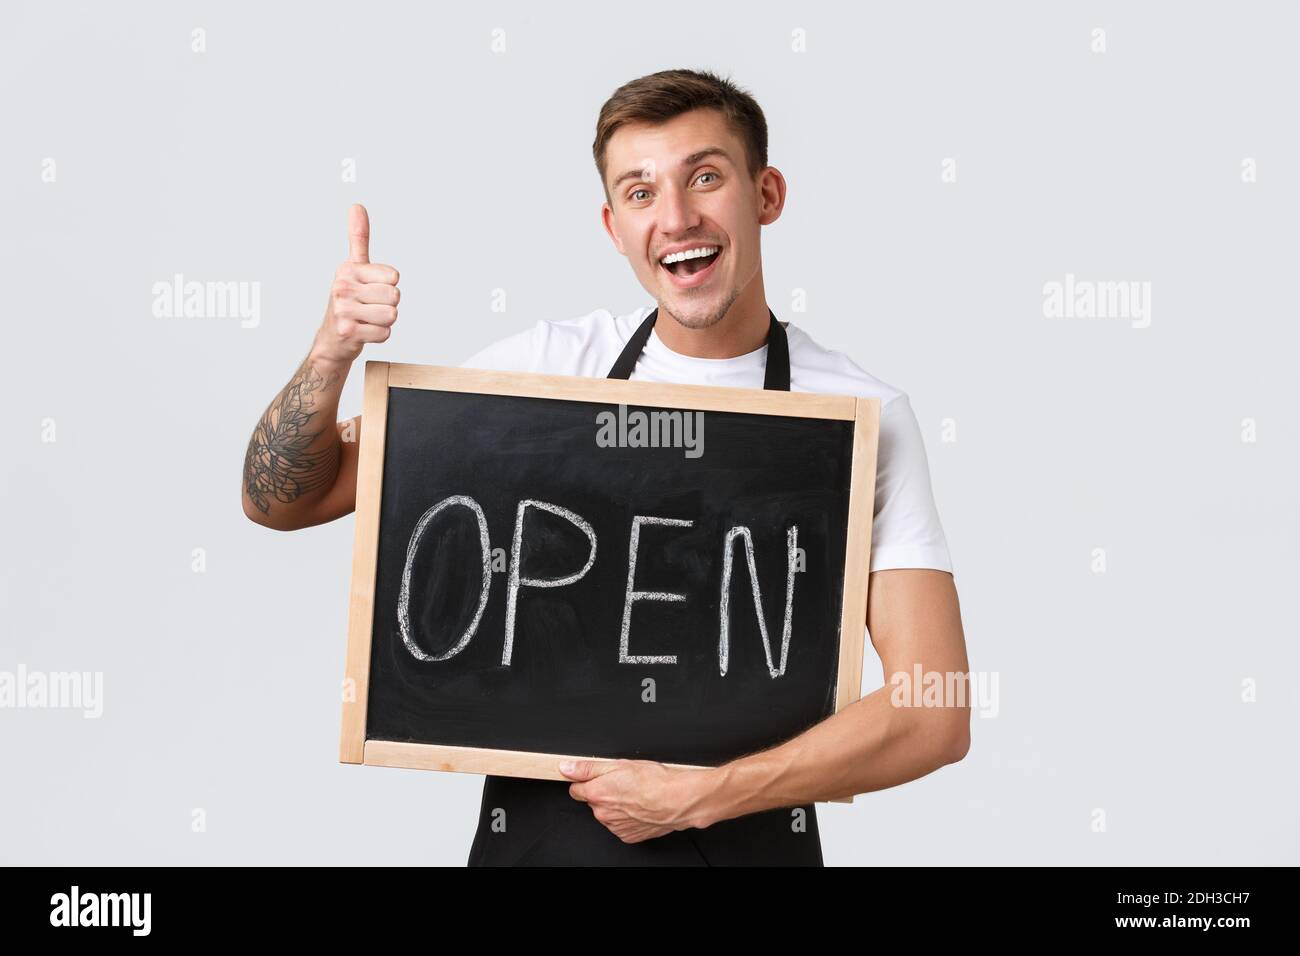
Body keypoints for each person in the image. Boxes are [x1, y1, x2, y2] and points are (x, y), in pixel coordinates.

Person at [241, 68, 971, 866]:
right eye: (639, 192)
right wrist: (331, 351)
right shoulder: (537, 378)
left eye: (705, 177)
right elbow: (282, 500)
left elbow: (933, 710)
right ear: (612, 224)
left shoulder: (859, 418)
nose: (677, 218)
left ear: (766, 195)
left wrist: (703, 796)